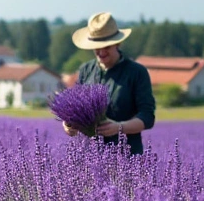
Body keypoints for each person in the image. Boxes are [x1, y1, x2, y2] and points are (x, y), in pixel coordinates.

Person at [64, 12, 156, 154]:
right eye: (96, 47)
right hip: (91, 158)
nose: (101, 52)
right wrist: (69, 124)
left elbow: (147, 117)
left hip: (127, 157)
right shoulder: (86, 70)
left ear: (118, 43)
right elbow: (77, 110)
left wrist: (120, 127)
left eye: (106, 46)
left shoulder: (136, 72)